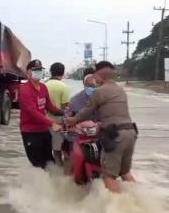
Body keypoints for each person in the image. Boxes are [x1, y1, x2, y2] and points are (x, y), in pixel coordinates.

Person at [66, 61, 137, 193]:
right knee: (125, 172)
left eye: (95, 77)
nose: (94, 80)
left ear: (100, 76)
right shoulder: (120, 90)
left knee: (108, 176)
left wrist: (72, 120)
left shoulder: (99, 91)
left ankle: (118, 207)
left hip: (115, 136)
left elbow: (85, 112)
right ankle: (138, 197)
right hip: (130, 133)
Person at [19, 59, 63, 169]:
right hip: (30, 132)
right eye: (35, 70)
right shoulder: (24, 90)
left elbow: (50, 107)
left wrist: (66, 114)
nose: (38, 72)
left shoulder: (43, 87)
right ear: (28, 72)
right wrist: (52, 123)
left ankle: (55, 184)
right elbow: (32, 112)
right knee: (37, 164)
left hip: (44, 131)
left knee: (50, 162)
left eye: (40, 70)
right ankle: (37, 185)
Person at [45, 62, 70, 166]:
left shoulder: (43, 85)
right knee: (57, 151)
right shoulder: (64, 87)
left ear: (51, 72)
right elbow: (65, 109)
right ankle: (59, 174)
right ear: (63, 73)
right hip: (58, 124)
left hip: (43, 122)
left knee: (45, 151)